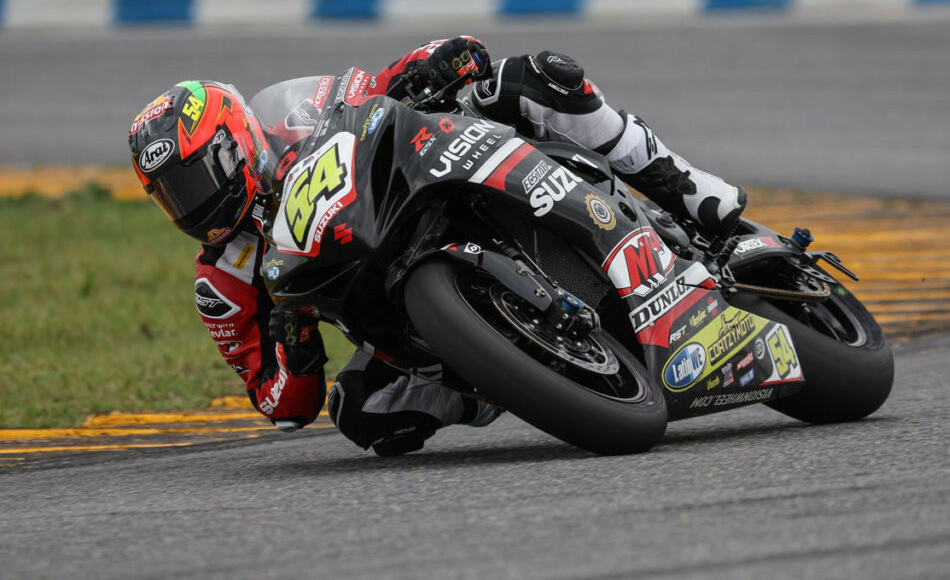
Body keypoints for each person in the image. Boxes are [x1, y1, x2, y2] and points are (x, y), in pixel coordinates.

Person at [128, 36, 746, 456]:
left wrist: (440, 59)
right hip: (387, 310)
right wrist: (295, 348)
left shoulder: (294, 117)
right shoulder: (224, 282)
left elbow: (381, 82)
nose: (192, 203)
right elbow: (282, 405)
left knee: (532, 78)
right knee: (359, 412)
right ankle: (513, 374)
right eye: (171, 196)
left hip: (424, 184)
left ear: (233, 141)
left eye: (195, 178)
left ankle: (692, 193)